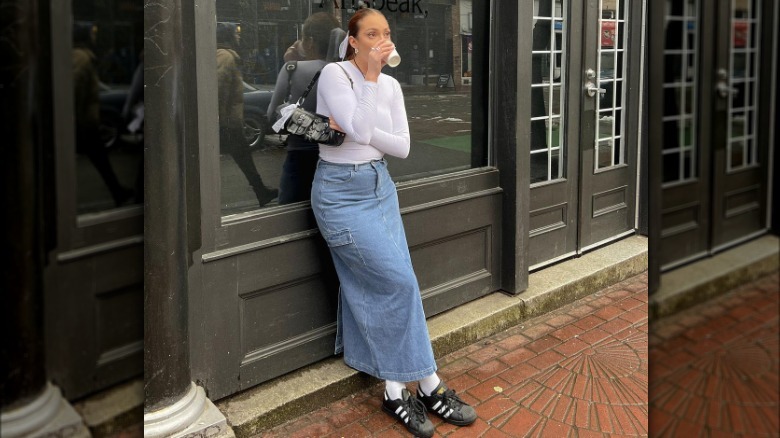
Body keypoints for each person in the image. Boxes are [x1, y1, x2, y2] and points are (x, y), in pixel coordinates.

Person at [312, 8, 476, 437]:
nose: (379, 40)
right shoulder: (336, 74)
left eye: (385, 33)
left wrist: (360, 132)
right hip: (340, 192)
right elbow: (362, 127)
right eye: (370, 33)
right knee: (398, 282)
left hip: (380, 187)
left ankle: (403, 386)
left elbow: (399, 146)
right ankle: (424, 383)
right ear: (353, 40)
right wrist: (366, 86)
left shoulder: (391, 84)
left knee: (388, 283)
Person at [267, 13, 343, 205]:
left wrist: (291, 61)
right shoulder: (346, 71)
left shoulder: (292, 68)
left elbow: (272, 117)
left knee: (290, 218)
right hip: (337, 162)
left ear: (309, 41)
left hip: (299, 159)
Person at [216, 22, 278, 207]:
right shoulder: (225, 57)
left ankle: (261, 191)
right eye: (235, 34)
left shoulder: (224, 55)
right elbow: (219, 90)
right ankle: (260, 191)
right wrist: (218, 121)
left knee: (243, 157)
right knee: (241, 157)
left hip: (227, 121)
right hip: (226, 123)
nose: (238, 36)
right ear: (227, 36)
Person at [72, 22, 134, 208]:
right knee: (100, 160)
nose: (94, 38)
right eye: (91, 34)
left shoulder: (82, 57)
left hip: (85, 122)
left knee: (101, 160)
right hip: (84, 124)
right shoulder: (81, 58)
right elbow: (73, 90)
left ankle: (118, 192)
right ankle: (118, 193)